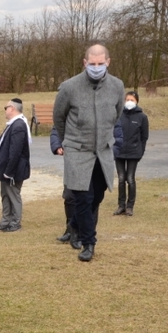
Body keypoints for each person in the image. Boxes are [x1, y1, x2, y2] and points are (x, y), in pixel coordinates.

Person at [53, 44, 125, 262]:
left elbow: (117, 113)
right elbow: (59, 118)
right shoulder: (69, 87)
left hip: (102, 151)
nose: (96, 67)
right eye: (92, 64)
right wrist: (71, 141)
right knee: (83, 198)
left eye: (100, 64)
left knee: (97, 195)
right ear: (85, 63)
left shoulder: (117, 86)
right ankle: (88, 242)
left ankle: (74, 224)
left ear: (108, 62)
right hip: (77, 150)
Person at [0, 98, 31, 233]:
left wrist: (9, 172)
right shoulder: (14, 124)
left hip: (13, 170)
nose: (5, 110)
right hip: (6, 169)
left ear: (12, 108)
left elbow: (16, 151)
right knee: (5, 195)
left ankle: (15, 222)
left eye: (6, 107)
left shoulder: (18, 125)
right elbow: (10, 143)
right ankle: (5, 220)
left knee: (13, 195)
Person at [112, 90, 149, 216]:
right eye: (127, 99)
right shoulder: (118, 115)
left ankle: (130, 206)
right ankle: (121, 205)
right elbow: (113, 133)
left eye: (132, 100)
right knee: (121, 178)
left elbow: (144, 137)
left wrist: (140, 152)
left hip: (134, 153)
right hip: (119, 152)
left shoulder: (142, 117)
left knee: (130, 179)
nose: (129, 102)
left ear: (137, 101)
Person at [50, 126, 80, 248]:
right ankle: (70, 230)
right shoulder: (67, 109)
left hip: (88, 158)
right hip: (70, 158)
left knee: (86, 198)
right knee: (69, 196)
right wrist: (57, 146)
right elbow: (56, 129)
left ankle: (82, 233)